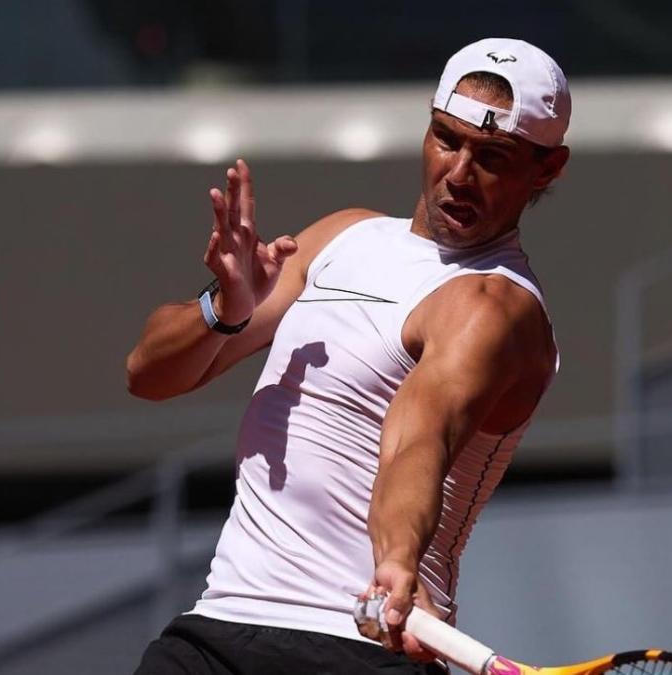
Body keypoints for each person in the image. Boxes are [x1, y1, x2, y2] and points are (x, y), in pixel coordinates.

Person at [126, 37, 570, 675]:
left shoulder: (494, 305)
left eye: (493, 157)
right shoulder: (343, 236)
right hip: (219, 627)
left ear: (547, 169)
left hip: (356, 646)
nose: (459, 173)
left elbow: (417, 438)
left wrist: (397, 560)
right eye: (447, 140)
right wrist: (224, 308)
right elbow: (147, 375)